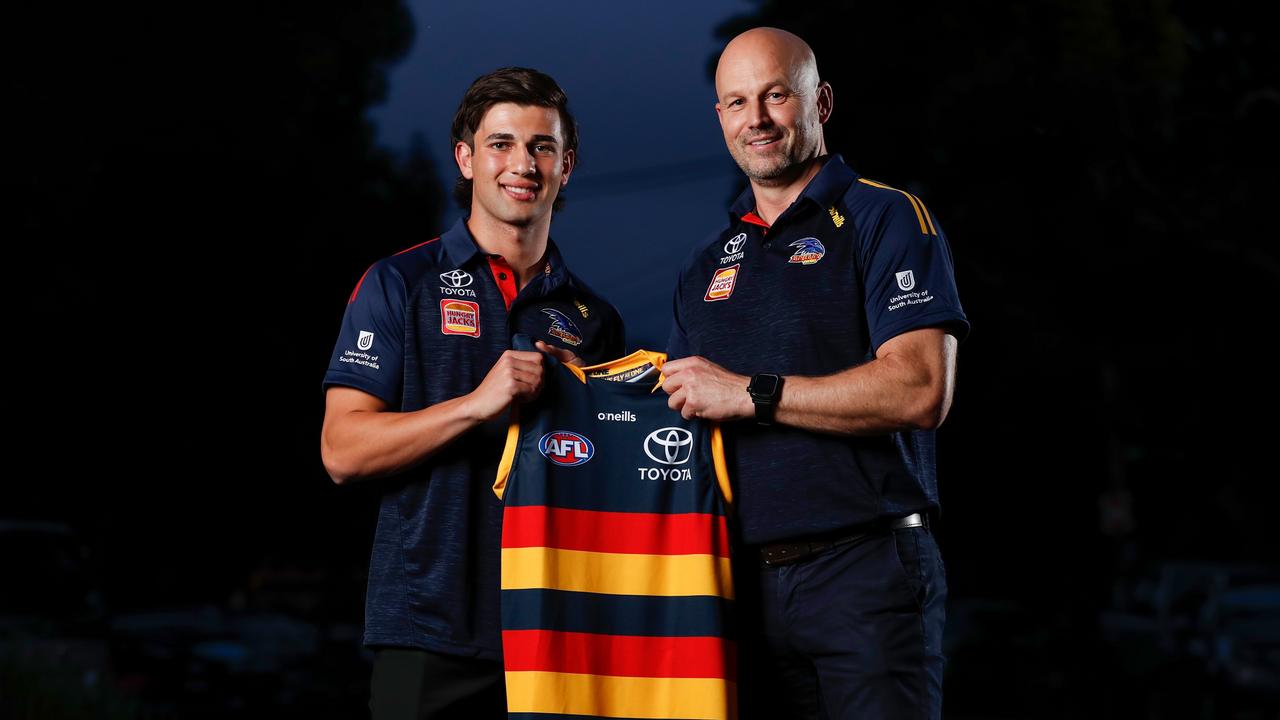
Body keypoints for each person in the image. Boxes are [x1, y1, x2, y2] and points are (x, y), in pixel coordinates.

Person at [662, 28, 968, 720]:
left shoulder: (885, 217)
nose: (757, 120)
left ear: (819, 101)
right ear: (720, 119)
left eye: (775, 95)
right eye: (737, 103)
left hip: (865, 572)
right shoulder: (705, 264)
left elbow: (921, 388)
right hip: (735, 586)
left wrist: (749, 394)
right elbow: (679, 421)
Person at [320, 67, 624, 719]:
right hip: (428, 634)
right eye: (501, 143)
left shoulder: (595, 319)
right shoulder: (399, 283)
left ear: (567, 165)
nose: (523, 163)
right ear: (466, 158)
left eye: (543, 146)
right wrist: (476, 403)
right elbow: (342, 451)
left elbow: (614, 483)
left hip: (560, 632)